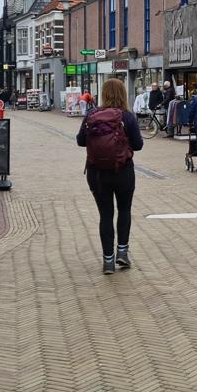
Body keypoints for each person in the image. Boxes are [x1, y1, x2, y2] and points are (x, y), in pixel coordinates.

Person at [77, 79, 144, 275]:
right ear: (123, 94)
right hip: (123, 170)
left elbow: (81, 141)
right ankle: (122, 252)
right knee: (124, 210)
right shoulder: (128, 117)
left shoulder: (92, 114)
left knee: (105, 215)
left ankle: (108, 262)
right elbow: (139, 145)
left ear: (103, 94)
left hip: (97, 173)